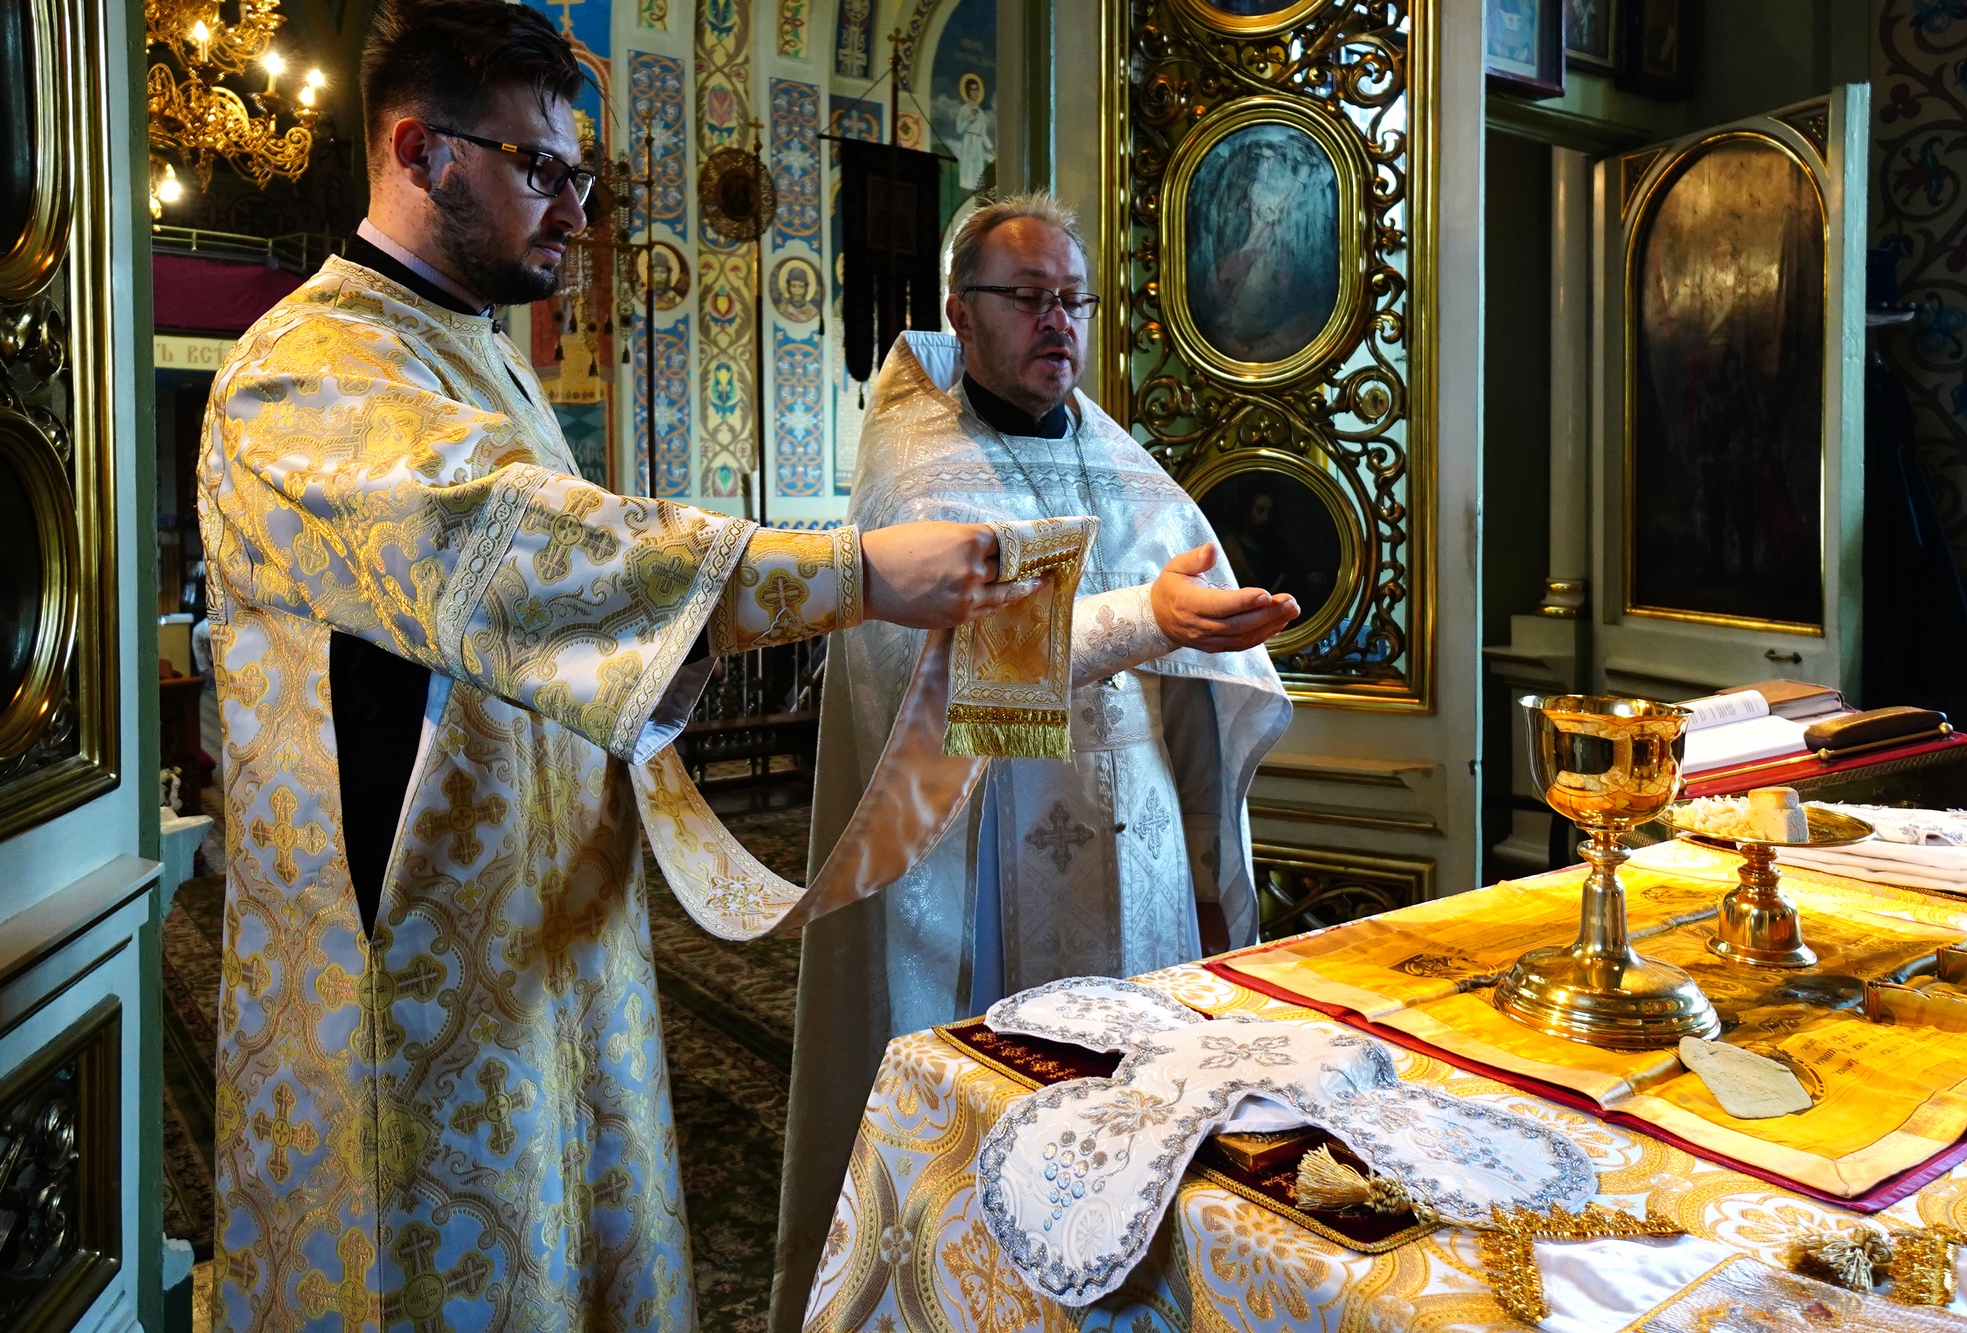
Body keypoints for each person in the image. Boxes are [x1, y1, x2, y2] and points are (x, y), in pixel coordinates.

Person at [198, 3, 1035, 1328]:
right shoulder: (302, 374)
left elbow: (560, 648)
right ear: (422, 151)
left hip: (543, 936)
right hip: (414, 987)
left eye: (580, 175)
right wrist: (857, 571)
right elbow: (513, 554)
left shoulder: (473, 348)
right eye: (541, 169)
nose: (576, 209)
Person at [771, 193, 1300, 1331]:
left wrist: (1207, 651)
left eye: (1072, 301)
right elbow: (965, 672)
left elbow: (1184, 637)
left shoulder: (1115, 455)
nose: (1057, 322)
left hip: (1138, 846)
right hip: (979, 859)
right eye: (1028, 299)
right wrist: (1151, 618)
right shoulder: (918, 465)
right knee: (1004, 1125)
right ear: (961, 312)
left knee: (1137, 1127)